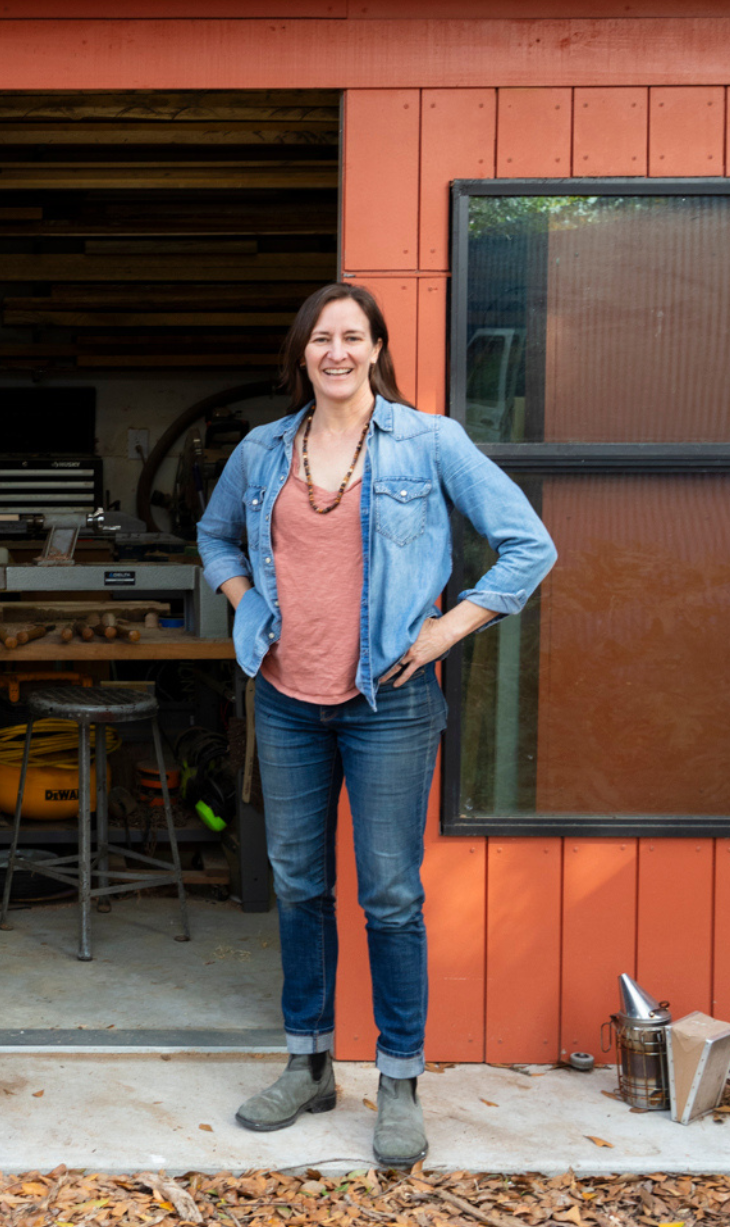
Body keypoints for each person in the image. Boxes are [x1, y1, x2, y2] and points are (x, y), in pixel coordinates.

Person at [197, 282, 554, 1167]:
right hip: (285, 697)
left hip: (389, 703)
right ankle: (308, 1064)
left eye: (353, 337)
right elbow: (215, 540)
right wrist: (247, 607)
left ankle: (398, 1080)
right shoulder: (262, 449)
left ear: (377, 348)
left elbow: (527, 544)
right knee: (298, 885)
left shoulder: (430, 443)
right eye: (322, 338)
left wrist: (445, 630)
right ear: (303, 353)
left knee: (390, 896)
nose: (337, 353)